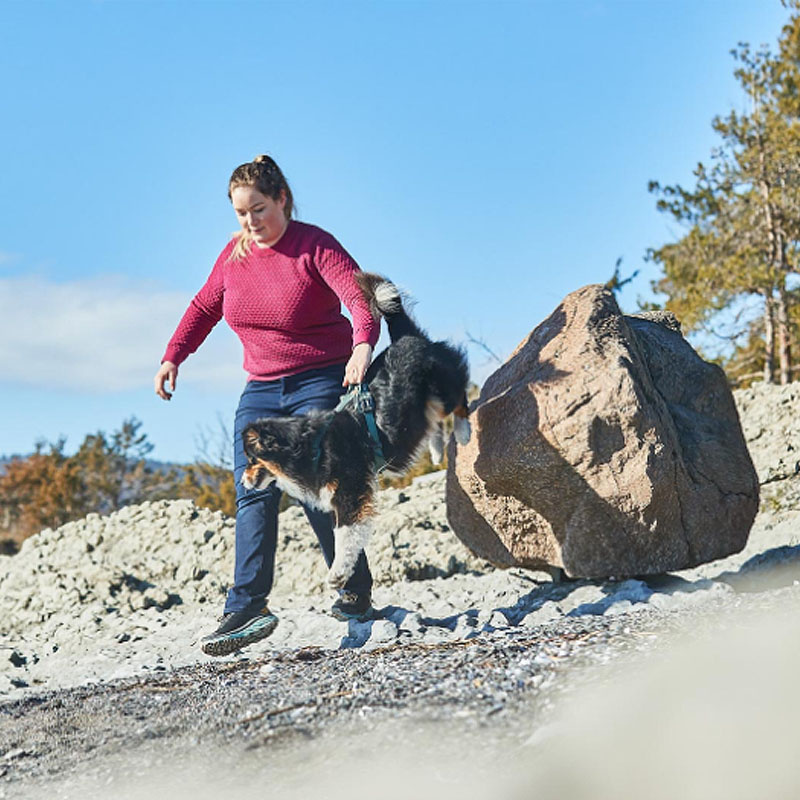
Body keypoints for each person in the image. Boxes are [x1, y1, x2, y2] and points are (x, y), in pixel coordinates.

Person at [154, 155, 379, 656]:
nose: (250, 221)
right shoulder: (234, 255)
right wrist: (173, 356)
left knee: (317, 486)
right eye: (240, 213)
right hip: (261, 388)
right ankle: (248, 606)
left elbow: (358, 297)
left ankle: (352, 588)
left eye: (258, 208)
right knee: (252, 489)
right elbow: (204, 306)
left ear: (282, 199)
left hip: (319, 378)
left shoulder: (313, 244)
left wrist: (363, 343)